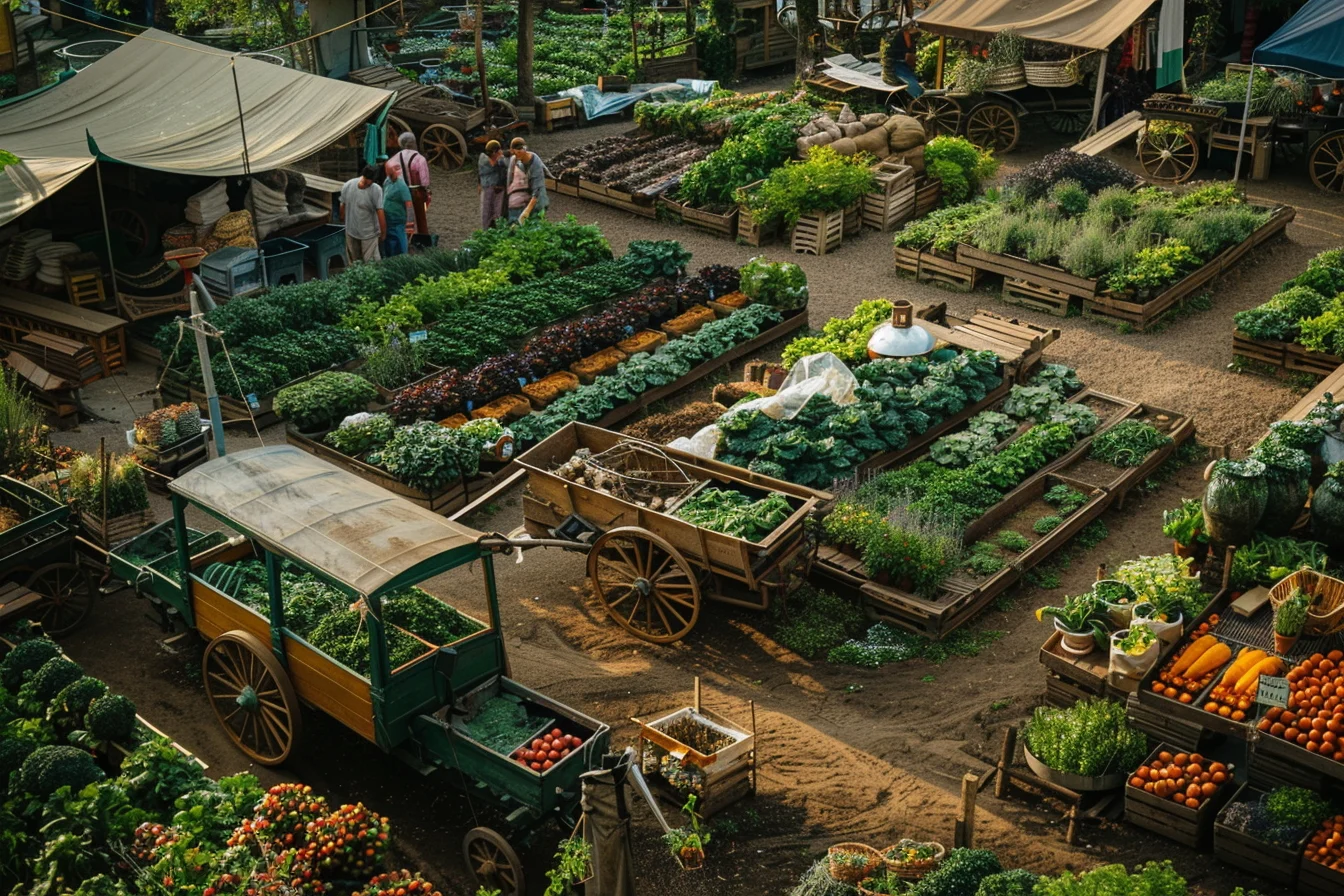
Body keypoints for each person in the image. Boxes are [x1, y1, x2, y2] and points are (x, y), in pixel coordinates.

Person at [339, 165, 385, 263]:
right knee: (368, 263)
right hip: (357, 232)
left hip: (365, 233)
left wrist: (382, 231)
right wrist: (383, 232)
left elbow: (342, 206)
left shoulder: (375, 189)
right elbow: (342, 206)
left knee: (359, 262)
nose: (366, 184)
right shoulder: (349, 186)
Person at [394, 132, 432, 243]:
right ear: (414, 143)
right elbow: (425, 181)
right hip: (417, 193)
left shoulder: (395, 158)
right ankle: (422, 240)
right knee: (420, 217)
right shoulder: (420, 159)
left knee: (404, 215)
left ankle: (405, 239)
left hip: (401, 191)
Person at [505, 136, 548, 224]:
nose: (517, 155)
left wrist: (527, 211)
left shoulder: (535, 164)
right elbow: (509, 181)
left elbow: (538, 189)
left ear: (525, 149)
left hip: (537, 200)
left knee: (535, 225)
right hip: (523, 198)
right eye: (515, 153)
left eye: (519, 152)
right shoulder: (514, 159)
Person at [381, 159, 411, 257]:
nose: (390, 175)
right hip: (387, 218)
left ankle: (403, 257)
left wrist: (410, 223)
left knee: (400, 240)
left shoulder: (401, 186)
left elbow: (409, 204)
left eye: (391, 173)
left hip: (398, 219)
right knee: (389, 241)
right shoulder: (387, 181)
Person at [477, 139, 507, 230]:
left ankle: (492, 229)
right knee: (488, 212)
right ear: (495, 152)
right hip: (490, 190)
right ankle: (487, 230)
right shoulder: (486, 161)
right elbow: (494, 164)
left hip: (495, 189)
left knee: (495, 212)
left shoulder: (485, 159)